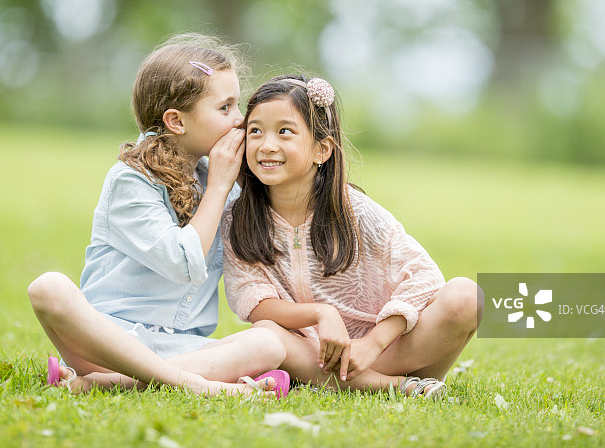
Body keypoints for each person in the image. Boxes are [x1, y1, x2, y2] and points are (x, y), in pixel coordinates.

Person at [28, 34, 288, 397]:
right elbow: (184, 263)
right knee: (48, 287)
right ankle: (201, 386)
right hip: (108, 343)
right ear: (176, 121)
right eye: (225, 108)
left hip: (181, 348)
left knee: (270, 344)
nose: (240, 120)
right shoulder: (131, 180)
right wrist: (217, 188)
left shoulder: (218, 176)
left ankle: (107, 383)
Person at [222, 74, 484, 399]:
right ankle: (398, 386)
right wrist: (321, 313)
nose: (267, 145)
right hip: (308, 354)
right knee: (266, 333)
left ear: (322, 149)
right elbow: (254, 302)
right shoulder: (238, 217)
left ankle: (359, 380)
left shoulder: (354, 210)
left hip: (382, 350)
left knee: (465, 296)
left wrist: (373, 343)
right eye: (255, 131)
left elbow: (424, 276)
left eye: (284, 131)